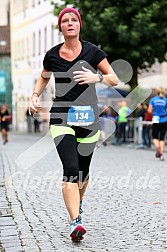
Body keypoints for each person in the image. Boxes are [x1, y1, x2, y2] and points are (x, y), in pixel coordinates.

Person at [29, 7, 118, 241]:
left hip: (88, 118)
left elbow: (114, 77)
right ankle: (75, 221)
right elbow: (44, 75)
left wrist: (96, 77)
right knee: (70, 170)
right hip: (61, 116)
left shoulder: (92, 52)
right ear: (61, 27)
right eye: (65, 20)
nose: (70, 23)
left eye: (74, 20)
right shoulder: (52, 55)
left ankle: (77, 205)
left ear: (79, 25)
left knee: (83, 171)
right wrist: (35, 95)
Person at [148, 87, 167, 161]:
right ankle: (161, 154)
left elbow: (149, 110)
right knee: (162, 138)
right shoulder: (165, 100)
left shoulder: (153, 100)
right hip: (165, 119)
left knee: (155, 137)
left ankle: (157, 146)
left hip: (156, 119)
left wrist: (155, 112)